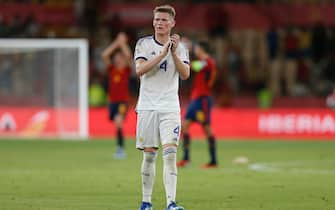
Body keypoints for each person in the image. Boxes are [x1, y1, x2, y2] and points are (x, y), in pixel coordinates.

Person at [134, 5, 190, 210]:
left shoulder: (181, 47)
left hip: (169, 107)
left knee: (170, 154)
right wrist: (162, 54)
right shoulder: (143, 44)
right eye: (157, 19)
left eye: (164, 20)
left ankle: (171, 203)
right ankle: (146, 202)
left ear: (172, 23)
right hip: (147, 106)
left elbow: (185, 74)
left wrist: (173, 52)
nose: (159, 23)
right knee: (149, 155)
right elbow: (140, 70)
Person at [177, 41, 218, 168]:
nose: (195, 51)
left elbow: (191, 66)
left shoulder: (208, 62)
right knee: (184, 127)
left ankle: (213, 161)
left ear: (201, 49)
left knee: (207, 129)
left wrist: (183, 52)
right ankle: (186, 159)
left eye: (196, 49)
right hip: (195, 100)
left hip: (203, 100)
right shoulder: (205, 63)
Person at [101, 32, 132, 159]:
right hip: (112, 102)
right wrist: (116, 43)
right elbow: (104, 55)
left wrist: (123, 43)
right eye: (116, 57)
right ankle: (119, 148)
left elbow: (129, 56)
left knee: (119, 122)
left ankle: (120, 149)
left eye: (120, 57)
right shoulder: (112, 69)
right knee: (116, 124)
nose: (117, 59)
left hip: (122, 101)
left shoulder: (126, 70)